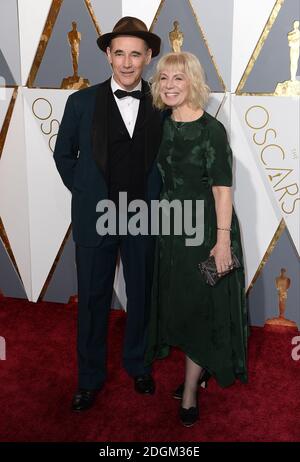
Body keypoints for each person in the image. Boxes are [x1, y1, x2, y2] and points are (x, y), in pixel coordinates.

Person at [54, 17, 162, 412]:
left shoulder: (162, 102)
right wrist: (85, 193)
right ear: (107, 55)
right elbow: (63, 155)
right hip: (95, 216)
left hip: (144, 216)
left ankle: (139, 364)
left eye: (136, 54)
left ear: (149, 57)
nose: (128, 62)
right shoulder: (80, 102)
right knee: (93, 300)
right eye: (120, 53)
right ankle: (89, 379)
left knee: (142, 295)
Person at [145, 52, 248, 427]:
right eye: (164, 79)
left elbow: (223, 190)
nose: (170, 85)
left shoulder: (211, 130)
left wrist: (222, 242)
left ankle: (189, 390)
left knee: (201, 308)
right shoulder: (161, 124)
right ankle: (195, 373)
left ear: (193, 83)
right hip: (171, 230)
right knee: (180, 304)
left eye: (179, 79)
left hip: (206, 230)